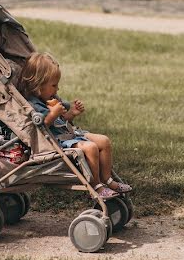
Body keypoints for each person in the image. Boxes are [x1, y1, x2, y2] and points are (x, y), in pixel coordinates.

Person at [16, 52, 133, 200]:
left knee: (104, 141)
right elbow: (41, 125)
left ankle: (107, 179)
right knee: (90, 147)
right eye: (54, 85)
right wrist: (52, 115)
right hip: (56, 141)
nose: (57, 90)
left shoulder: (49, 98)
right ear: (38, 84)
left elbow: (63, 119)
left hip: (70, 133)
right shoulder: (33, 104)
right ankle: (96, 186)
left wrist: (72, 113)